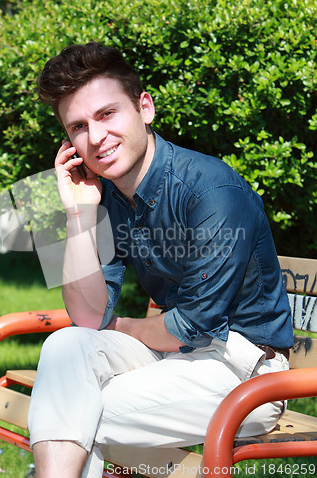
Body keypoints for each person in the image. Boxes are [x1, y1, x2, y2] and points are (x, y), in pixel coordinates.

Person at [27, 42, 293, 478]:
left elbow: (194, 324)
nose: (95, 138)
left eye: (107, 114)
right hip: (175, 359)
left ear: (144, 107)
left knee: (74, 412)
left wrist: (122, 327)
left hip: (247, 373)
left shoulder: (212, 190)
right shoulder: (106, 196)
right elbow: (87, 317)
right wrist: (77, 214)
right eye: (78, 126)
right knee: (63, 347)